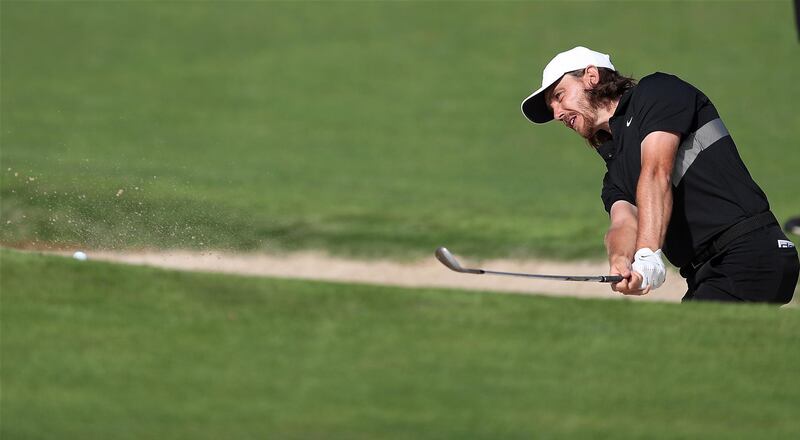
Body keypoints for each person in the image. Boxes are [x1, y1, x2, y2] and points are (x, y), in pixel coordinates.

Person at [520, 46, 799, 303]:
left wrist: (647, 254)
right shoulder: (615, 168)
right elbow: (623, 222)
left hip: (749, 252)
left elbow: (657, 171)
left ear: (591, 76)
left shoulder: (657, 92)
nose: (556, 113)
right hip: (709, 272)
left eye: (559, 96)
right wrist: (621, 261)